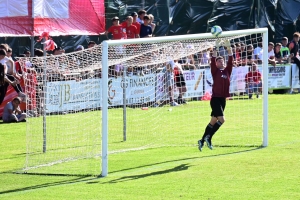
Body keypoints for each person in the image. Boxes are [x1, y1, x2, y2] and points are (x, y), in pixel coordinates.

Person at [198, 39, 233, 151]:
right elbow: (212, 59)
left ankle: (202, 140)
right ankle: (209, 137)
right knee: (222, 120)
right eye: (218, 61)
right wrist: (216, 48)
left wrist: (229, 48)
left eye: (222, 61)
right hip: (215, 99)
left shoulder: (227, 70)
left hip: (223, 100)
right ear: (216, 64)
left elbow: (231, 59)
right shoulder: (215, 71)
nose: (220, 62)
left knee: (213, 121)